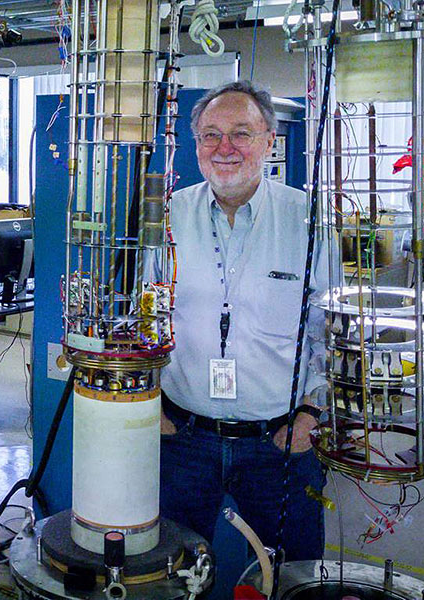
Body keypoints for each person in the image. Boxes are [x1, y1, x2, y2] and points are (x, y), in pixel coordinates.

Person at [156, 81, 333, 561]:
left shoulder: (309, 220)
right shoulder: (165, 218)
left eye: (241, 133)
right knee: (171, 575)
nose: (225, 148)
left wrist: (311, 414)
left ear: (270, 141)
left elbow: (330, 331)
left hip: (279, 445)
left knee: (293, 574)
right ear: (195, 146)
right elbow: (138, 318)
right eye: (210, 135)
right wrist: (151, 409)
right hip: (181, 440)